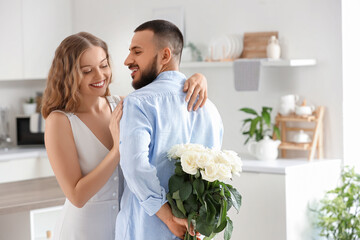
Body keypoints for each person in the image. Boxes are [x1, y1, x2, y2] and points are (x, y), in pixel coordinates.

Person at [41, 32, 209, 240]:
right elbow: (77, 195)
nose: (99, 76)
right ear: (68, 75)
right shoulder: (60, 121)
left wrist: (198, 79)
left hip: (126, 229)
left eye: (103, 66)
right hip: (84, 232)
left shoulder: (124, 105)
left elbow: (163, 95)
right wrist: (116, 151)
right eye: (87, 71)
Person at [115, 20, 223, 240]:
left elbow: (135, 166)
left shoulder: (138, 103)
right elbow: (213, 174)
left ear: (165, 56)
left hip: (144, 230)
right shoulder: (210, 109)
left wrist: (167, 217)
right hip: (192, 232)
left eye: (137, 52)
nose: (127, 61)